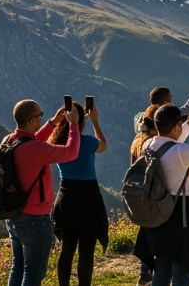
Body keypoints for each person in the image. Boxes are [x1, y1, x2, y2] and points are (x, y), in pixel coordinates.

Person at [133, 104, 189, 286]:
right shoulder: (181, 153)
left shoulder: (148, 145)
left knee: (161, 269)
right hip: (181, 216)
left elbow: (169, 142)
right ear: (176, 126)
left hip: (158, 214)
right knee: (182, 270)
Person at [5, 100, 81, 286]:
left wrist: (54, 122)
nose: (42, 117)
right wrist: (73, 124)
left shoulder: (10, 141)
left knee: (19, 267)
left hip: (14, 215)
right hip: (35, 219)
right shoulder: (36, 149)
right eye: (40, 115)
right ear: (32, 121)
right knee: (33, 274)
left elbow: (33, 139)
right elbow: (71, 152)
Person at [49, 102, 109, 286]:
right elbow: (103, 146)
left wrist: (77, 121)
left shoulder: (57, 143)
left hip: (66, 196)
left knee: (67, 248)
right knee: (86, 251)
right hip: (89, 198)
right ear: (81, 122)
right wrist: (95, 121)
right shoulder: (89, 142)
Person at [133, 68, 189, 132]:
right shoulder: (171, 119)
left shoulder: (144, 122)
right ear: (165, 102)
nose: (171, 102)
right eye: (170, 99)